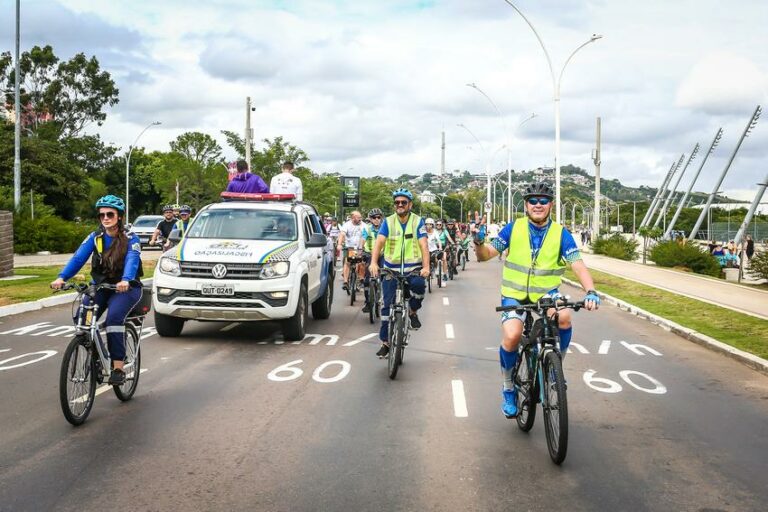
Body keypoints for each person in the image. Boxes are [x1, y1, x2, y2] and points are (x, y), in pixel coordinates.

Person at [471, 182, 600, 418]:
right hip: (514, 294)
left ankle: (555, 367)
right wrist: (479, 242)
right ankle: (509, 387)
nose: (538, 205)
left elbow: (577, 264)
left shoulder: (561, 233)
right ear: (526, 205)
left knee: (564, 316)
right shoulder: (514, 228)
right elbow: (485, 256)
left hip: (547, 293)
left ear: (551, 205)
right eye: (533, 201)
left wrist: (591, 291)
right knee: (511, 336)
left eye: (543, 201)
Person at [50, 195, 144, 385]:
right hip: (101, 287)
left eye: (110, 214)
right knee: (81, 318)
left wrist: (126, 280)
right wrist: (62, 277)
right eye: (102, 215)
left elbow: (132, 260)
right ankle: (99, 355)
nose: (106, 218)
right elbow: (78, 258)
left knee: (114, 319)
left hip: (126, 289)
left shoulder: (131, 238)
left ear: (120, 217)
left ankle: (117, 367)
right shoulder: (96, 237)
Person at [369, 189, 430, 358]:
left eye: (404, 202)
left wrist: (426, 267)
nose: (400, 205)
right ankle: (386, 343)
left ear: (410, 204)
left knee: (418, 287)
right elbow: (379, 243)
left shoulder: (418, 221)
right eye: (397, 202)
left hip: (413, 269)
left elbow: (424, 246)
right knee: (387, 307)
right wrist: (374, 263)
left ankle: (412, 312)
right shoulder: (388, 222)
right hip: (391, 268)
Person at [361, 208, 384, 313]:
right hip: (369, 254)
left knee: (385, 276)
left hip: (382, 254)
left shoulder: (384, 228)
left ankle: (384, 298)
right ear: (370, 219)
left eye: (378, 217)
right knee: (366, 280)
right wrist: (359, 250)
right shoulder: (367, 229)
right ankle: (367, 302)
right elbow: (363, 240)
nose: (376, 219)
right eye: (374, 217)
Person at [337, 211, 365, 291]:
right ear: (353, 218)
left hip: (359, 248)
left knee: (361, 263)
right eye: (358, 217)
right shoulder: (347, 225)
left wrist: (362, 246)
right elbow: (342, 234)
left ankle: (361, 279)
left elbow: (365, 236)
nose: (360, 219)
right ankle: (345, 282)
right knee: (347, 262)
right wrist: (339, 244)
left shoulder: (363, 225)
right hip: (349, 247)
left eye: (360, 217)